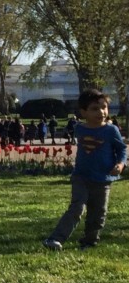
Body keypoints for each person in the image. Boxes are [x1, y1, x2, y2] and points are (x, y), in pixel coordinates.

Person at [44, 89, 126, 251]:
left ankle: (89, 242)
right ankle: (55, 239)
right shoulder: (80, 129)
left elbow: (121, 149)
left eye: (104, 107)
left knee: (98, 215)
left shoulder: (111, 130)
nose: (102, 112)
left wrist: (121, 164)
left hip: (103, 180)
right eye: (95, 108)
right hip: (81, 177)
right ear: (83, 112)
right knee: (76, 208)